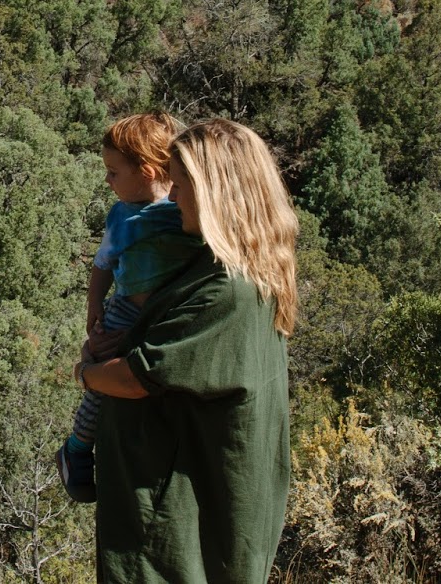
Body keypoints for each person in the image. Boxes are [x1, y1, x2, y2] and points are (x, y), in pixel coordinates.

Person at [75, 118, 298, 584]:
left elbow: (138, 378)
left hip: (176, 541)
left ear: (216, 192)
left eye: (180, 185)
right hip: (165, 523)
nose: (171, 197)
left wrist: (86, 374)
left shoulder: (228, 291)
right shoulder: (217, 266)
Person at [58, 112, 206, 503]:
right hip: (126, 308)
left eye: (113, 172)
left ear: (146, 170)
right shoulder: (122, 215)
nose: (107, 181)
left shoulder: (184, 209)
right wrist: (94, 305)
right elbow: (103, 263)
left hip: (170, 311)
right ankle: (78, 448)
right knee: (104, 380)